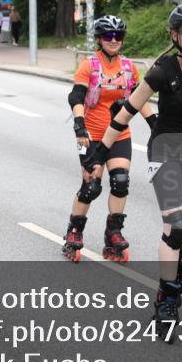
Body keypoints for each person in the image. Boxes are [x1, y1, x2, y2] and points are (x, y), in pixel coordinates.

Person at [83, 3, 182, 343]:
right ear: (175, 35)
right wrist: (98, 153)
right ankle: (167, 299)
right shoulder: (162, 71)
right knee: (177, 225)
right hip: (165, 151)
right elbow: (126, 111)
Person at [63, 15, 157, 263]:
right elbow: (77, 96)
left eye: (118, 36)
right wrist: (79, 125)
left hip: (119, 134)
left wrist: (155, 124)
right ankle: (74, 231)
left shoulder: (128, 67)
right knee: (91, 186)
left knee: (120, 181)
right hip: (91, 136)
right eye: (108, 36)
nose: (114, 40)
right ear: (99, 39)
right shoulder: (89, 65)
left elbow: (139, 99)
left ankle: (113, 233)